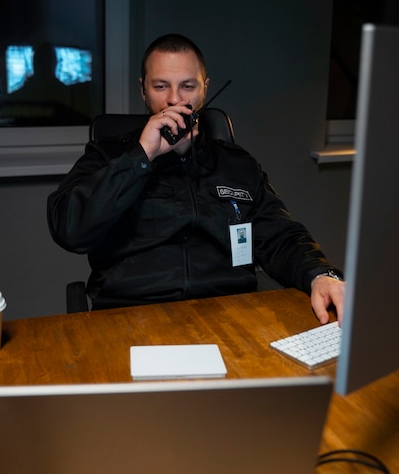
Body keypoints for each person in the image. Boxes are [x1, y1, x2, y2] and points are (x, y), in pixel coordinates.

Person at [47, 33, 345, 323]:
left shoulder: (236, 164)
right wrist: (142, 156)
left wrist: (320, 274)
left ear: (205, 88)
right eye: (160, 86)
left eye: (187, 86)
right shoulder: (108, 155)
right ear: (143, 90)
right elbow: (69, 228)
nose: (174, 99)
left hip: (228, 316)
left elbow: (281, 236)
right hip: (131, 317)